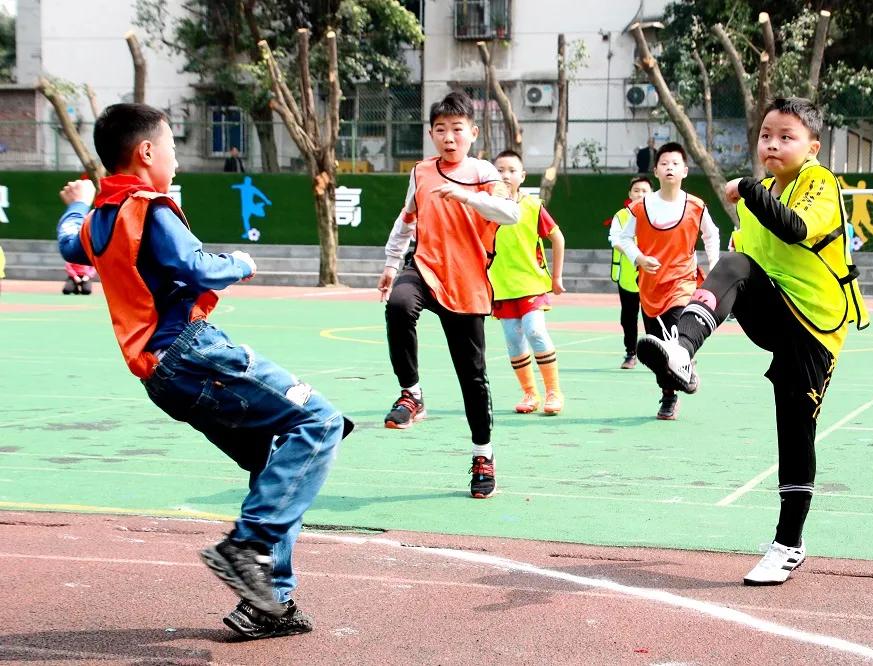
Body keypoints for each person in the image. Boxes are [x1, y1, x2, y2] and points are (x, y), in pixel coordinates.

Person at [56, 103, 353, 639]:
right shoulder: (150, 206)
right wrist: (241, 261)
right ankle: (249, 545)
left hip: (160, 376)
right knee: (321, 422)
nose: (175, 158)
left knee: (272, 453)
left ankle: (268, 603)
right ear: (146, 153)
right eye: (170, 146)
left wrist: (74, 205)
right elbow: (194, 267)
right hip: (193, 352)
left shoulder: (100, 216)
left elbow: (67, 239)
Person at [637, 97, 868, 585]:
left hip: (815, 327)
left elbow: (796, 228)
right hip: (775, 313)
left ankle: (788, 543)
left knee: (794, 427)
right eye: (767, 134)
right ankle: (681, 351)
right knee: (734, 264)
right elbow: (742, 269)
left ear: (813, 146)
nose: (773, 144)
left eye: (787, 136)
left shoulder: (818, 183)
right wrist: (750, 197)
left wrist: (745, 190)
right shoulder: (759, 194)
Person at [377, 91, 520, 499]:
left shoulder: (485, 175)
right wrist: (391, 264)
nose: (449, 137)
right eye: (440, 130)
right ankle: (413, 394)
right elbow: (406, 219)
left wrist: (467, 197)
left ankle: (483, 455)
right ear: (431, 134)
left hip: (467, 283)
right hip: (424, 267)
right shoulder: (422, 172)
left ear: (473, 133)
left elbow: (510, 214)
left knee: (472, 378)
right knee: (399, 305)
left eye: (457, 129)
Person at [611, 142, 719, 420]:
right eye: (664, 163)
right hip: (649, 287)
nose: (669, 167)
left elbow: (711, 235)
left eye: (675, 163)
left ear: (684, 170)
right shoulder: (641, 207)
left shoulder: (695, 206)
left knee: (676, 334)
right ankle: (668, 394)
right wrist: (639, 258)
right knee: (658, 349)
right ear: (656, 171)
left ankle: (686, 365)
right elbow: (622, 239)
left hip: (683, 283)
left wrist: (714, 265)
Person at [489, 150, 566, 415]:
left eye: (511, 170)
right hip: (501, 287)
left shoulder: (533, 206)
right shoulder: (486, 209)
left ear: (522, 176)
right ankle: (530, 394)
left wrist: (556, 277)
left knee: (534, 331)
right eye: (499, 170)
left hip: (532, 284)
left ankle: (554, 392)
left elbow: (558, 238)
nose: (505, 175)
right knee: (513, 340)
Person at [608, 176, 654, 369]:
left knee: (653, 316)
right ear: (630, 193)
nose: (640, 194)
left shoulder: (657, 215)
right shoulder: (621, 216)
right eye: (636, 190)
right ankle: (630, 353)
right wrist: (634, 253)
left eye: (644, 190)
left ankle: (656, 355)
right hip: (628, 276)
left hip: (652, 275)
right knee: (628, 317)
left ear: (652, 193)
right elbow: (615, 239)